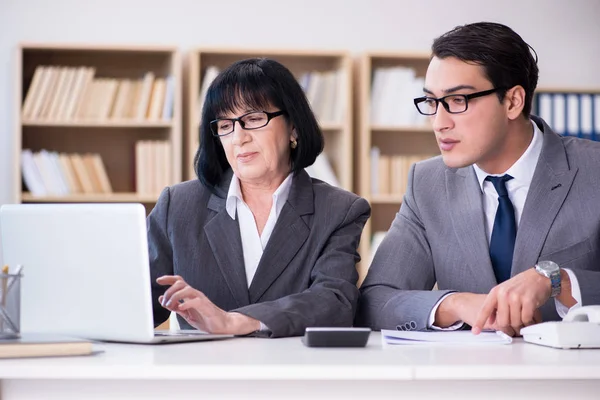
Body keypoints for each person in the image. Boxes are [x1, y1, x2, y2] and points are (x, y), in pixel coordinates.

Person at [357, 21, 600, 336]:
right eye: (432, 102)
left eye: (458, 101)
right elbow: (375, 300)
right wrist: (456, 304)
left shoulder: (592, 170)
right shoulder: (427, 183)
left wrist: (560, 281)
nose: (439, 123)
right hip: (470, 380)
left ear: (513, 102)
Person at [147, 58, 370, 338]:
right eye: (225, 125)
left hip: (293, 374)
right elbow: (139, 303)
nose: (238, 137)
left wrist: (236, 321)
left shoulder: (339, 210)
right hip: (200, 374)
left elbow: (334, 302)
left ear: (294, 127)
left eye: (253, 119)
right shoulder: (178, 205)